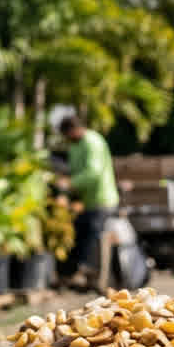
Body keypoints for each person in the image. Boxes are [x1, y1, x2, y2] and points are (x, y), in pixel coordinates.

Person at [55, 111, 118, 289]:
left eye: (67, 135)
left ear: (74, 129)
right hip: (86, 202)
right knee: (77, 233)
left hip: (102, 200)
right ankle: (74, 275)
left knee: (93, 234)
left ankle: (93, 277)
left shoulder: (92, 142)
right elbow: (74, 170)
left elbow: (93, 173)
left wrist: (69, 183)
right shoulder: (74, 145)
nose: (66, 139)